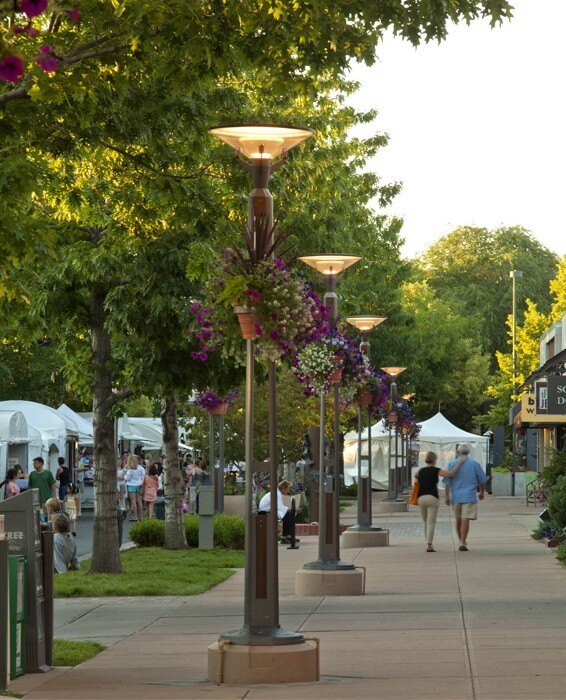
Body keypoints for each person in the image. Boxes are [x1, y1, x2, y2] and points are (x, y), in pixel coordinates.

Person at [415, 451, 466, 552]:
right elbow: (451, 474)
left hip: (421, 498)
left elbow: (415, 482)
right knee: (431, 523)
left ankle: (428, 543)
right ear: (434, 460)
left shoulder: (419, 471)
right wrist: (459, 463)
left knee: (425, 522)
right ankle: (429, 545)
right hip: (432, 498)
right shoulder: (436, 470)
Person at [443, 442, 489, 552]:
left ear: (458, 451)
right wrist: (482, 492)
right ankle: (463, 541)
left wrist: (446, 496)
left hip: (456, 496)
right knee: (465, 519)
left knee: (458, 519)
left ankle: (460, 541)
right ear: (469, 451)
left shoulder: (452, 464)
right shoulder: (475, 464)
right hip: (469, 495)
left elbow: (448, 482)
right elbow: (482, 480)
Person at [258, 480, 298, 545]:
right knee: (289, 514)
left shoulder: (277, 493)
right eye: (288, 489)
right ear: (283, 488)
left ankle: (287, 536)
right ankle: (286, 537)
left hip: (268, 511)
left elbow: (280, 507)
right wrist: (293, 509)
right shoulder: (276, 494)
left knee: (288, 513)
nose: (288, 491)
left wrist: (291, 509)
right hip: (265, 512)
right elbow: (281, 508)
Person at [124, 454, 145, 521]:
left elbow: (127, 478)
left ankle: (135, 516)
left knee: (133, 501)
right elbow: (143, 476)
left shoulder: (130, 469)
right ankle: (141, 516)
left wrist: (124, 475)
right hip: (139, 485)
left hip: (131, 485)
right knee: (139, 501)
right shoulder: (141, 468)